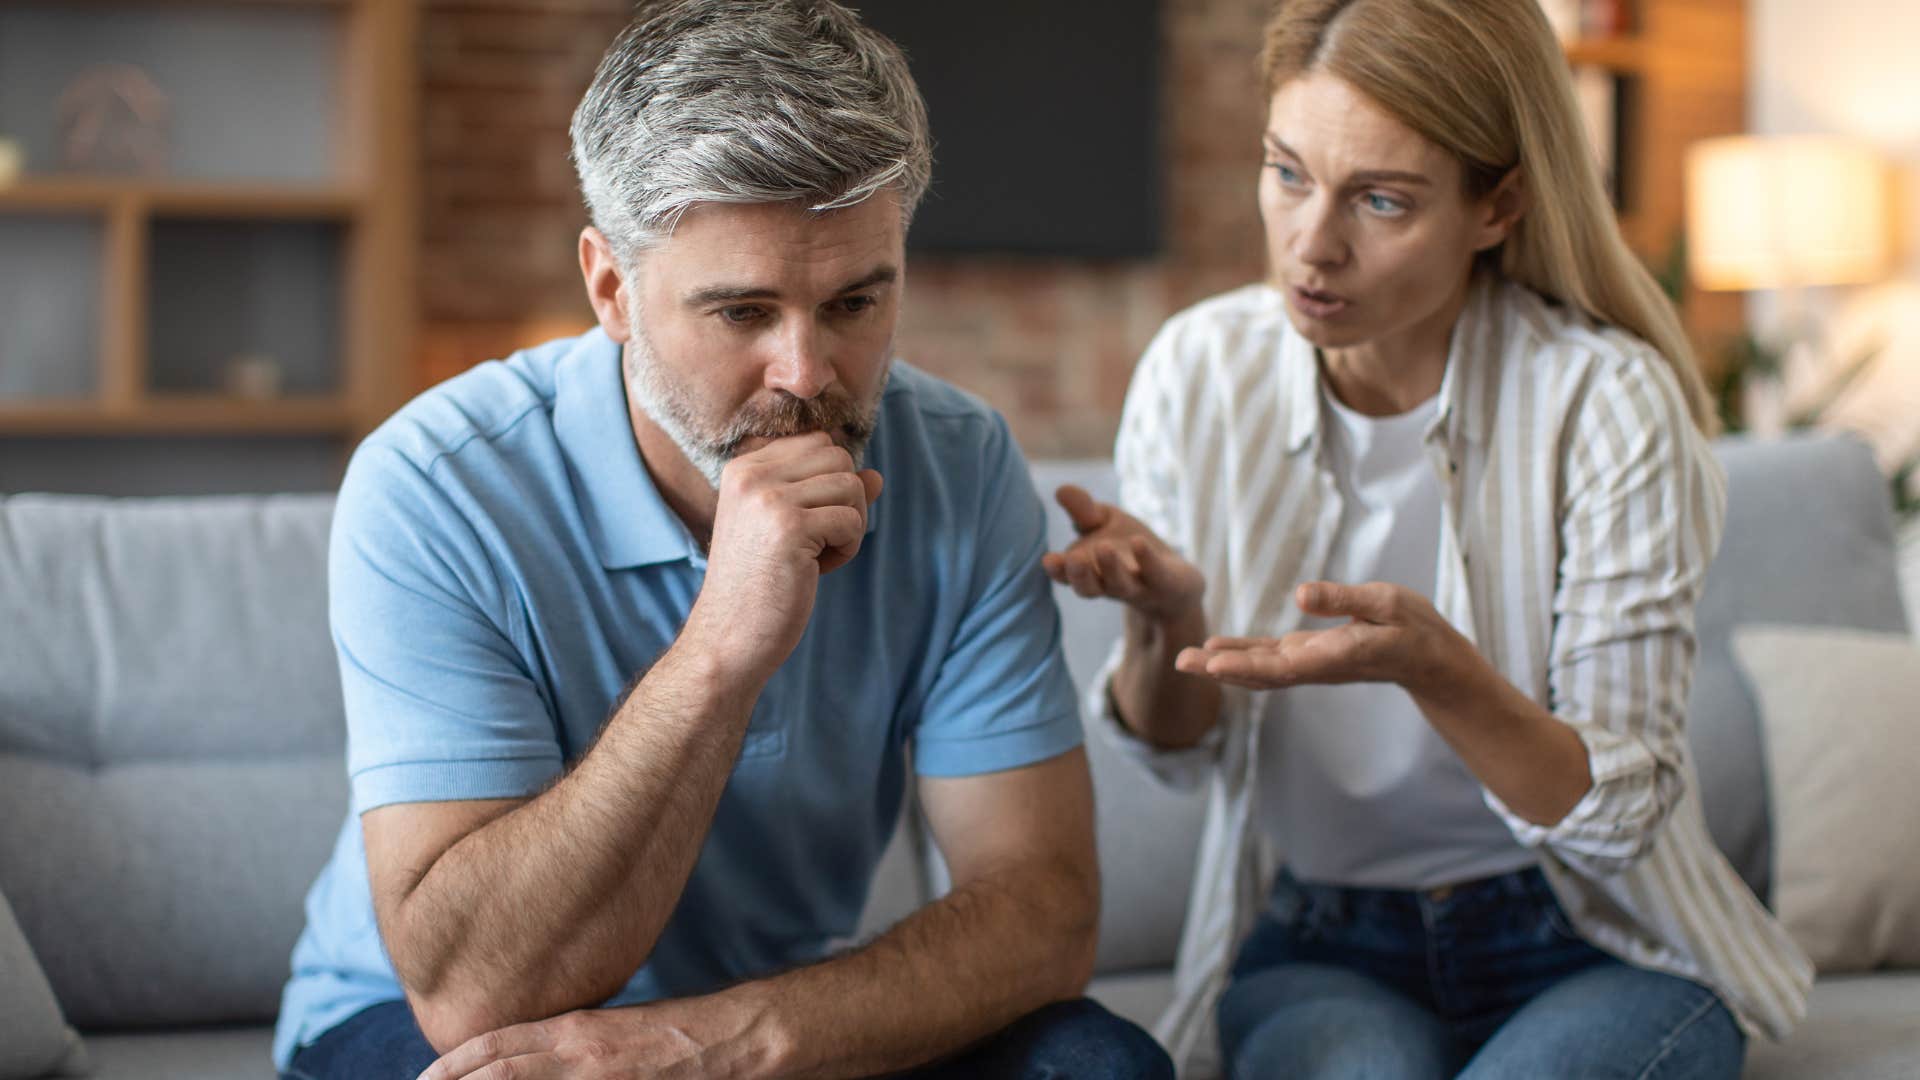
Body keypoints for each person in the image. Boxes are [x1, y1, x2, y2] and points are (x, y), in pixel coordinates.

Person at [272, 2, 1173, 1077]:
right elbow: (475, 993)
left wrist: (729, 1046)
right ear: (612, 288)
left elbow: (1042, 912)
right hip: (424, 1024)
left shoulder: (960, 463)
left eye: (853, 302)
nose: (807, 374)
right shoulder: (437, 486)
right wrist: (722, 647)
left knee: (1096, 1067)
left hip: (762, 1025)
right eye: (742, 313)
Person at [1043, 0, 1812, 1076]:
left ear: (1497, 206)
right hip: (1324, 944)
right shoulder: (1198, 372)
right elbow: (1179, 759)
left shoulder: (1604, 402)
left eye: (1382, 201)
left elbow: (1620, 816)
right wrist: (1168, 623)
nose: (1312, 245)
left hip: (1591, 939)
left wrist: (1436, 670)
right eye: (1287, 173)